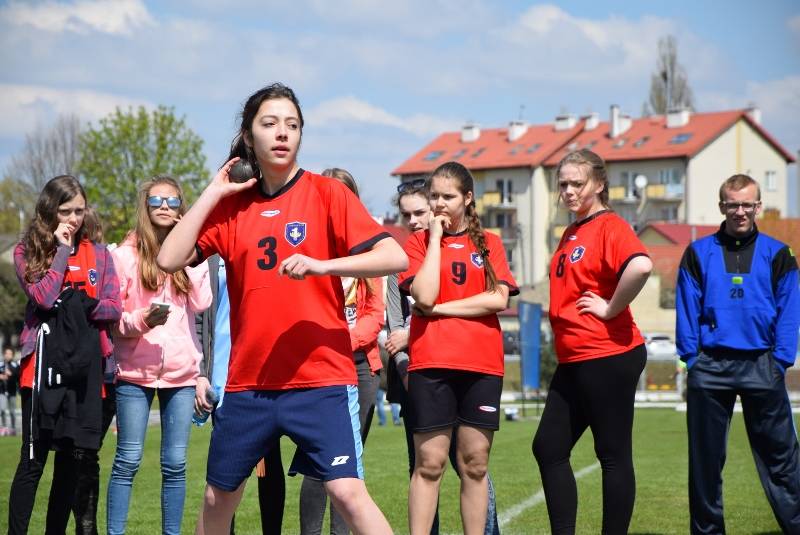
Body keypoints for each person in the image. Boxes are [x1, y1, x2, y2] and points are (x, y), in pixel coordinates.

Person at [157, 82, 405, 535]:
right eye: (269, 123)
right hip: (250, 385)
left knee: (348, 492)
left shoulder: (327, 194)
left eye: (292, 124)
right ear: (248, 136)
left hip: (321, 379)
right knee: (217, 498)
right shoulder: (231, 209)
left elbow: (395, 256)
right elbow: (169, 258)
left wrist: (322, 264)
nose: (282, 132)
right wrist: (212, 192)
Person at [531, 149, 652, 535]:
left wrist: (611, 307)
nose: (568, 191)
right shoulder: (572, 231)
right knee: (548, 447)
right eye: (563, 184)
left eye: (577, 183)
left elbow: (641, 265)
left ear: (599, 184)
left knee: (612, 454)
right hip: (575, 359)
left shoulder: (609, 225)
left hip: (608, 354)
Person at [676, 173, 800, 534]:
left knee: (783, 462)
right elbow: (687, 308)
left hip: (763, 364)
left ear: (758, 206)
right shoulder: (697, 253)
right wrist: (692, 358)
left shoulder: (780, 254)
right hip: (710, 367)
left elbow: (790, 310)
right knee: (705, 464)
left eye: (747, 204)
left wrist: (780, 361)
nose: (740, 211)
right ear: (722, 207)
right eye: (733, 205)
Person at [398, 161, 517, 535]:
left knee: (475, 464)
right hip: (431, 364)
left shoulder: (490, 243)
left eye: (447, 197)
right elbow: (424, 295)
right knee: (429, 463)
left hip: (482, 367)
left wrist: (440, 310)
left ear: (467, 198)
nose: (438, 204)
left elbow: (498, 300)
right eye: (434, 196)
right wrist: (435, 239)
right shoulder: (417, 243)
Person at [8, 175, 122, 535]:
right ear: (49, 210)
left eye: (79, 210)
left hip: (85, 370)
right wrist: (61, 251)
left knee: (71, 463)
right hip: (41, 371)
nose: (74, 218)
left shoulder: (100, 255)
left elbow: (114, 307)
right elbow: (42, 297)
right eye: (66, 211)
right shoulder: (26, 251)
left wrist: (80, 305)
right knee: (33, 460)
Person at [106, 175, 212, 534]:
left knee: (175, 465)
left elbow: (203, 302)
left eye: (172, 200)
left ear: (182, 206)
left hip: (181, 376)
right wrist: (143, 321)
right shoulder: (124, 257)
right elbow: (113, 320)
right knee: (128, 460)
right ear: (145, 206)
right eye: (156, 201)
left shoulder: (189, 255)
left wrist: (192, 248)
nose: (165, 206)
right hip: (134, 374)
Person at [298, 167, 385, 535]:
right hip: (319, 366)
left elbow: (375, 314)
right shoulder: (306, 249)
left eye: (343, 195)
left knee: (347, 465)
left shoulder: (370, 253)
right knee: (316, 462)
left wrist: (343, 340)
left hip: (361, 366)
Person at [197, 253, 286, 535]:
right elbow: (200, 319)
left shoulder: (266, 247)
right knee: (225, 468)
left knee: (269, 463)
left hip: (262, 373)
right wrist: (201, 370)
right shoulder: (212, 260)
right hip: (223, 375)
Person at [1, 347, 20, 432]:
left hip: (12, 391)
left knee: (12, 411)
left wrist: (11, 375)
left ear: (12, 355)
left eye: (10, 354)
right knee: (2, 409)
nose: (8, 355)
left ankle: (13, 428)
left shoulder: (15, 365)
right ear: (4, 354)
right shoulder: (1, 364)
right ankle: (4, 427)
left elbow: (18, 377)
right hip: (2, 391)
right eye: (6, 353)